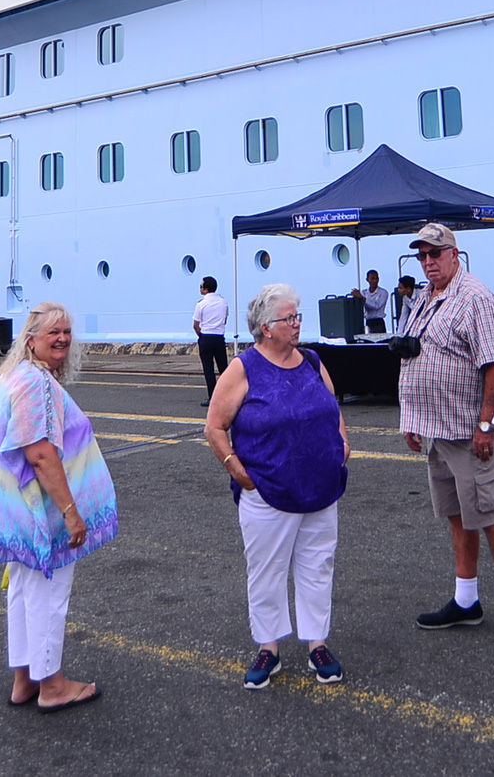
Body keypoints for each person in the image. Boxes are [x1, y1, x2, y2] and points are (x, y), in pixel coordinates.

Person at [0, 302, 119, 712]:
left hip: (16, 511)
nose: (62, 339)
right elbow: (39, 454)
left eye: (67, 331)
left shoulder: (13, 376)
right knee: (48, 594)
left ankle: (25, 680)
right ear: (31, 338)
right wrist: (72, 512)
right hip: (40, 514)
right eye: (53, 332)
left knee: (22, 592)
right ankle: (52, 685)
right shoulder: (34, 384)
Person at [205, 283, 349, 690]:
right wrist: (237, 469)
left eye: (297, 317)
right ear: (266, 328)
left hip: (321, 489)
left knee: (317, 565)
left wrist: (342, 442)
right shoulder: (243, 368)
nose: (297, 323)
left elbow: (332, 406)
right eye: (290, 318)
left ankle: (317, 643)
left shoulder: (312, 360)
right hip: (267, 490)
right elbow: (214, 427)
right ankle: (268, 648)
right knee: (266, 571)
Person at [397, 223, 494, 644]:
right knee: (457, 516)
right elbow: (415, 354)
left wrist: (485, 423)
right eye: (422, 255)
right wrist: (411, 417)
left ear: (455, 254)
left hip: (465, 429)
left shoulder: (475, 297)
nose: (428, 262)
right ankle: (466, 600)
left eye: (435, 254)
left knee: (490, 515)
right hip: (435, 429)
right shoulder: (423, 296)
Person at [192, 276, 231, 402]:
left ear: (205, 289)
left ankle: (213, 398)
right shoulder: (223, 302)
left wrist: (201, 336)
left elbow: (196, 325)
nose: (200, 288)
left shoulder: (201, 304)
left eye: (201, 286)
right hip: (219, 337)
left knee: (209, 369)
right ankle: (229, 395)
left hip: (206, 337)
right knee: (223, 368)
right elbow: (225, 320)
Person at [353, 270, 389, 335]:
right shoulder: (364, 292)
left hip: (379, 322)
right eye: (372, 278)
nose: (375, 281)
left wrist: (363, 298)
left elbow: (376, 306)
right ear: (367, 280)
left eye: (376, 278)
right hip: (368, 322)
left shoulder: (383, 292)